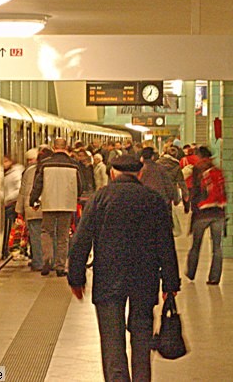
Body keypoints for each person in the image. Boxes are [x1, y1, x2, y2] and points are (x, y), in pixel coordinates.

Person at [68, 154, 181, 382]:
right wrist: (170, 282)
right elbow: (166, 244)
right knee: (141, 336)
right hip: (145, 279)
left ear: (112, 173)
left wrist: (75, 277)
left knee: (111, 339)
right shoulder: (154, 200)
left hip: (108, 279)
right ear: (139, 174)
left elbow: (81, 241)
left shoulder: (100, 198)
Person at [30, 137, 80, 277]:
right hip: (67, 204)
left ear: (53, 147)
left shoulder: (45, 164)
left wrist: (33, 200)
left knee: (47, 232)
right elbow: (80, 185)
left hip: (49, 202)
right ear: (66, 147)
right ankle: (60, 266)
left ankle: (47, 259)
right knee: (63, 235)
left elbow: (38, 184)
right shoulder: (74, 164)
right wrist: (75, 196)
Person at [186, 146, 227, 285]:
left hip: (202, 213)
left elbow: (195, 189)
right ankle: (214, 278)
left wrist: (193, 209)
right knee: (217, 247)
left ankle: (191, 273)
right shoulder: (217, 170)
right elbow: (224, 192)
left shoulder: (198, 169)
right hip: (218, 212)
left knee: (196, 245)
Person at [16, 146, 53, 271]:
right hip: (48, 207)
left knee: (35, 237)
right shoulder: (50, 169)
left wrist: (19, 210)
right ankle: (50, 261)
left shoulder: (29, 171)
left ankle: (38, 262)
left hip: (32, 208)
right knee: (49, 236)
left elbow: (23, 191)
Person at [3, 154, 24, 258]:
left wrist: (6, 199)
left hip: (10, 204)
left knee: (10, 226)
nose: (4, 164)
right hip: (3, 204)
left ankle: (8, 248)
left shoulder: (16, 173)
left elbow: (19, 189)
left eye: (6, 161)